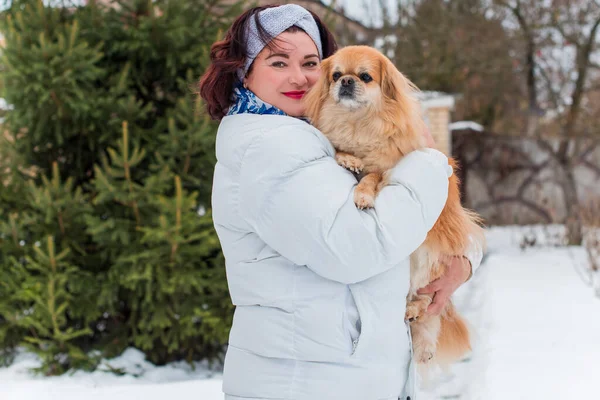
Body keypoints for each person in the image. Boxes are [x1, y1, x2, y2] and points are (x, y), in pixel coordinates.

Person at [199, 4, 483, 400]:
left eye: (311, 62)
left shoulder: (316, 135)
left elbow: (418, 223)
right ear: (244, 71)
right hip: (307, 385)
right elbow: (357, 249)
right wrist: (428, 163)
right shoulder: (268, 146)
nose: (299, 77)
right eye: (278, 63)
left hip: (348, 378)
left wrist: (463, 258)